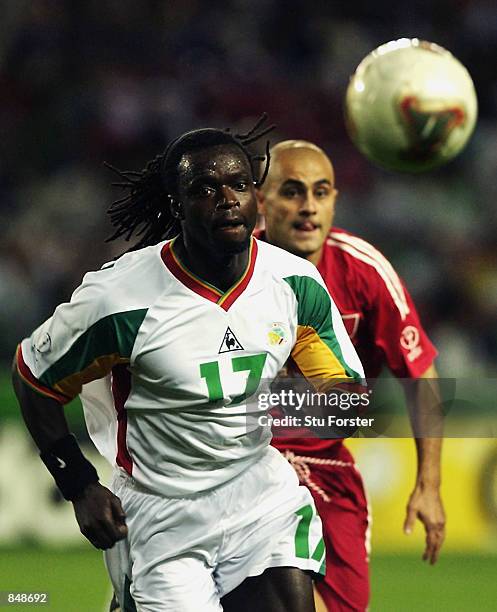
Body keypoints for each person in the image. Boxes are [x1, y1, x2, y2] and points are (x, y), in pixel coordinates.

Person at [12, 122, 366, 612]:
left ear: (256, 198)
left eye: (239, 185)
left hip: (259, 496)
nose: (226, 198)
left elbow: (347, 399)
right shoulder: (118, 300)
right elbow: (32, 377)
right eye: (205, 189)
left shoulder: (295, 282)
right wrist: (78, 484)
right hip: (161, 512)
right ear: (176, 206)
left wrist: (303, 402)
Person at [257, 140, 446, 612]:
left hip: (326, 469)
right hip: (240, 464)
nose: (308, 208)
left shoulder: (364, 271)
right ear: (261, 201)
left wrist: (428, 484)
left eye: (320, 193)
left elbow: (420, 375)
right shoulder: (229, 263)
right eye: (292, 192)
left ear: (335, 200)